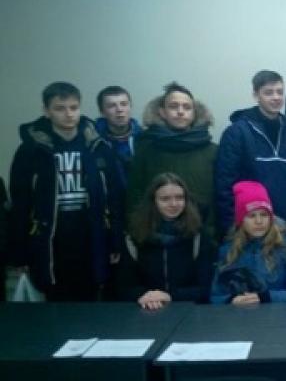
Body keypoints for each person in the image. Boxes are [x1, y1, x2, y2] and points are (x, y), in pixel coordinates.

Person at [8, 82, 124, 301]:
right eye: (60, 108)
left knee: (92, 294)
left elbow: (115, 198)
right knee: (54, 297)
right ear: (46, 111)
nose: (69, 114)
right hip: (49, 236)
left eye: (73, 107)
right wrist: (19, 252)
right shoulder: (31, 150)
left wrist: (116, 239)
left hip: (91, 232)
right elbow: (20, 203)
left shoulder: (97, 145)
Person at [215, 71, 286, 235]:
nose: (276, 97)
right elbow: (225, 184)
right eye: (268, 92)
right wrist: (230, 228)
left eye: (279, 92)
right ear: (256, 95)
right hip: (251, 227)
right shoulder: (237, 133)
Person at [127, 82, 217, 235]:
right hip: (155, 234)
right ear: (162, 112)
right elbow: (135, 194)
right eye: (174, 106)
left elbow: (218, 197)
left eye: (187, 107)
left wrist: (212, 232)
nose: (180, 112)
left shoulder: (212, 151)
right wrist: (136, 230)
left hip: (202, 233)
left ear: (194, 113)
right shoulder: (146, 149)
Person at [116, 173, 214, 309]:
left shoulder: (198, 236)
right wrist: (145, 296)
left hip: (189, 310)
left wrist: (169, 296)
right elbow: (123, 287)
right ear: (153, 201)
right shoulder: (134, 237)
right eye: (165, 199)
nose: (173, 204)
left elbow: (205, 288)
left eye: (179, 198)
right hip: (146, 309)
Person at [210, 181, 286, 304]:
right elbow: (216, 296)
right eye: (252, 216)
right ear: (241, 220)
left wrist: (266, 297)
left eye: (264, 215)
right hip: (240, 313)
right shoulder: (228, 250)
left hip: (278, 314)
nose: (259, 221)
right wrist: (231, 300)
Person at [94, 85, 142, 184]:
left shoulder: (144, 139)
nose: (119, 109)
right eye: (112, 106)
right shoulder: (93, 142)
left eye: (124, 104)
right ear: (102, 112)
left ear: (130, 107)